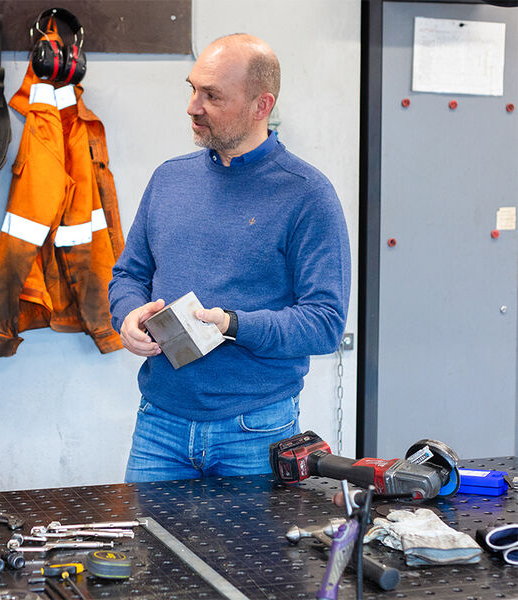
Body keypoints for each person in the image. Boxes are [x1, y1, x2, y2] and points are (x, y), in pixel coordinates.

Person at [109, 34, 350, 482]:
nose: (192, 106)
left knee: (249, 556)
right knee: (150, 553)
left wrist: (233, 325)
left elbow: (324, 323)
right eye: (192, 88)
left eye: (212, 95)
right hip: (159, 424)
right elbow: (128, 274)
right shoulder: (169, 180)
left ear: (261, 105)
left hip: (256, 432)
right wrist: (127, 316)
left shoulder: (308, 195)